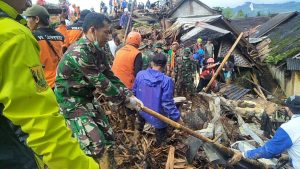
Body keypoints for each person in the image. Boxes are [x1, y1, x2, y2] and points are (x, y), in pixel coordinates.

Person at [0, 0, 99, 168]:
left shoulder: (31, 34)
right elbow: (42, 126)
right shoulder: (17, 34)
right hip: (47, 86)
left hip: (37, 84)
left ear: (37, 19)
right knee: (53, 125)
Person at [54, 12, 143, 168]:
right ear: (93, 30)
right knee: (95, 144)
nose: (109, 37)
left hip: (87, 99)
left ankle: (108, 165)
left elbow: (110, 76)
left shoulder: (98, 51)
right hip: (71, 103)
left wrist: (130, 95)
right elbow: (102, 83)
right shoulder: (79, 52)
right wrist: (125, 100)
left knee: (109, 136)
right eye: (106, 32)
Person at [230, 95, 300, 168]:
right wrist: (290, 157)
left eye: (286, 106)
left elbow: (268, 151)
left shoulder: (289, 128)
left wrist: (244, 154)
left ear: (289, 109)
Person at [133, 53, 182, 147]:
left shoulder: (140, 74)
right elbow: (167, 103)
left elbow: (134, 92)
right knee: (161, 140)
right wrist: (177, 118)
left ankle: (135, 142)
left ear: (152, 63)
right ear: (164, 65)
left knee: (138, 127)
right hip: (158, 116)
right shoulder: (167, 81)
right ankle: (160, 148)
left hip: (142, 109)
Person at [23, 5, 64, 89]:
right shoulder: (60, 36)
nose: (27, 22)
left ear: (37, 19)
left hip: (42, 82)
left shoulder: (32, 36)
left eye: (28, 18)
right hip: (59, 81)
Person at [112, 31, 143, 130]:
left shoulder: (119, 50)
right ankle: (131, 128)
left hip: (115, 84)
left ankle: (122, 125)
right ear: (138, 41)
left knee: (119, 106)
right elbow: (138, 74)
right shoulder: (137, 53)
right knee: (130, 107)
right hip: (127, 86)